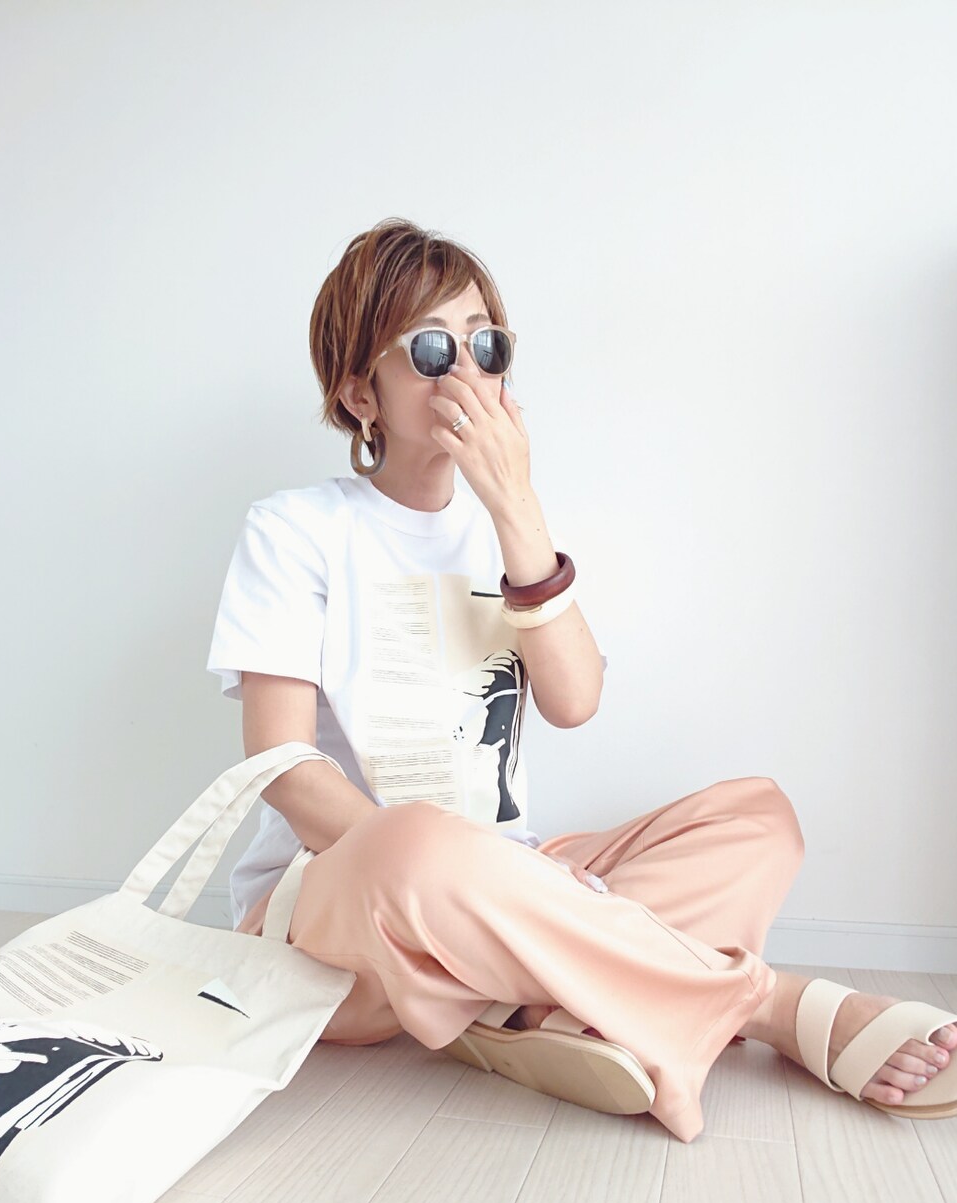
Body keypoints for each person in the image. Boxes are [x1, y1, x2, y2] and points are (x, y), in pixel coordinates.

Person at [207, 218, 957, 1143]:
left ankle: (535, 1006)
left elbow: (573, 702)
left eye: (487, 346)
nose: (468, 373)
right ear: (362, 392)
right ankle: (760, 1003)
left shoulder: (508, 530)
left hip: (505, 879)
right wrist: (468, 882)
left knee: (759, 817)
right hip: (341, 906)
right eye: (433, 349)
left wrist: (515, 505)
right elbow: (283, 767)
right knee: (419, 847)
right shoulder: (295, 529)